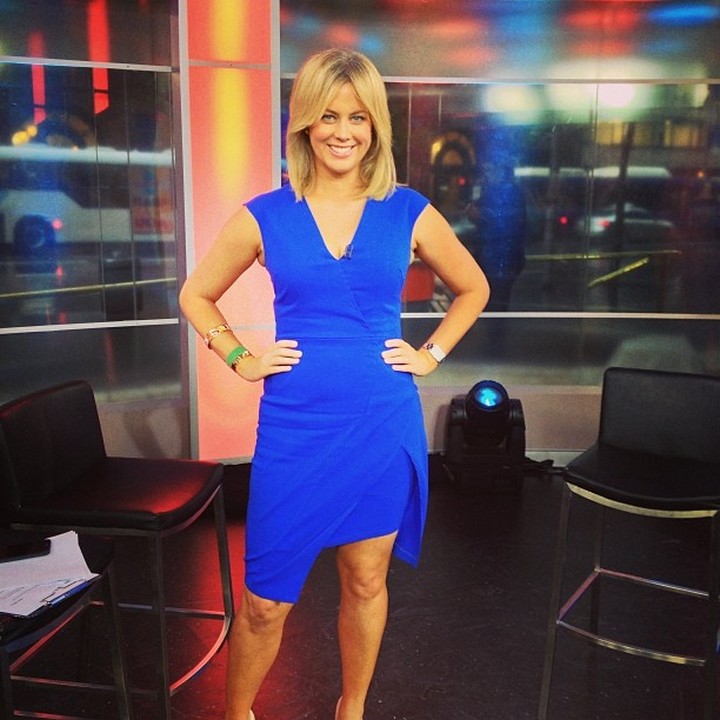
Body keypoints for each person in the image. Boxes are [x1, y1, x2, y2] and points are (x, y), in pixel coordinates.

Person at [179, 48, 489, 720]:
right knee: (265, 602)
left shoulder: (407, 211)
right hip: (295, 428)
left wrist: (431, 354)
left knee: (367, 580)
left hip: (381, 423)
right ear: (304, 124)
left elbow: (474, 286)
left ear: (375, 125)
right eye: (328, 116)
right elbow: (195, 294)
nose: (343, 131)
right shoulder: (265, 214)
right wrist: (238, 356)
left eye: (357, 117)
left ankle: (352, 710)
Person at [467, 161, 527, 311]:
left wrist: (480, 216)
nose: (486, 176)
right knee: (494, 301)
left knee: (496, 301)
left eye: (490, 171)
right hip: (493, 257)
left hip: (500, 258)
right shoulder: (490, 192)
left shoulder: (508, 193)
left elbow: (506, 221)